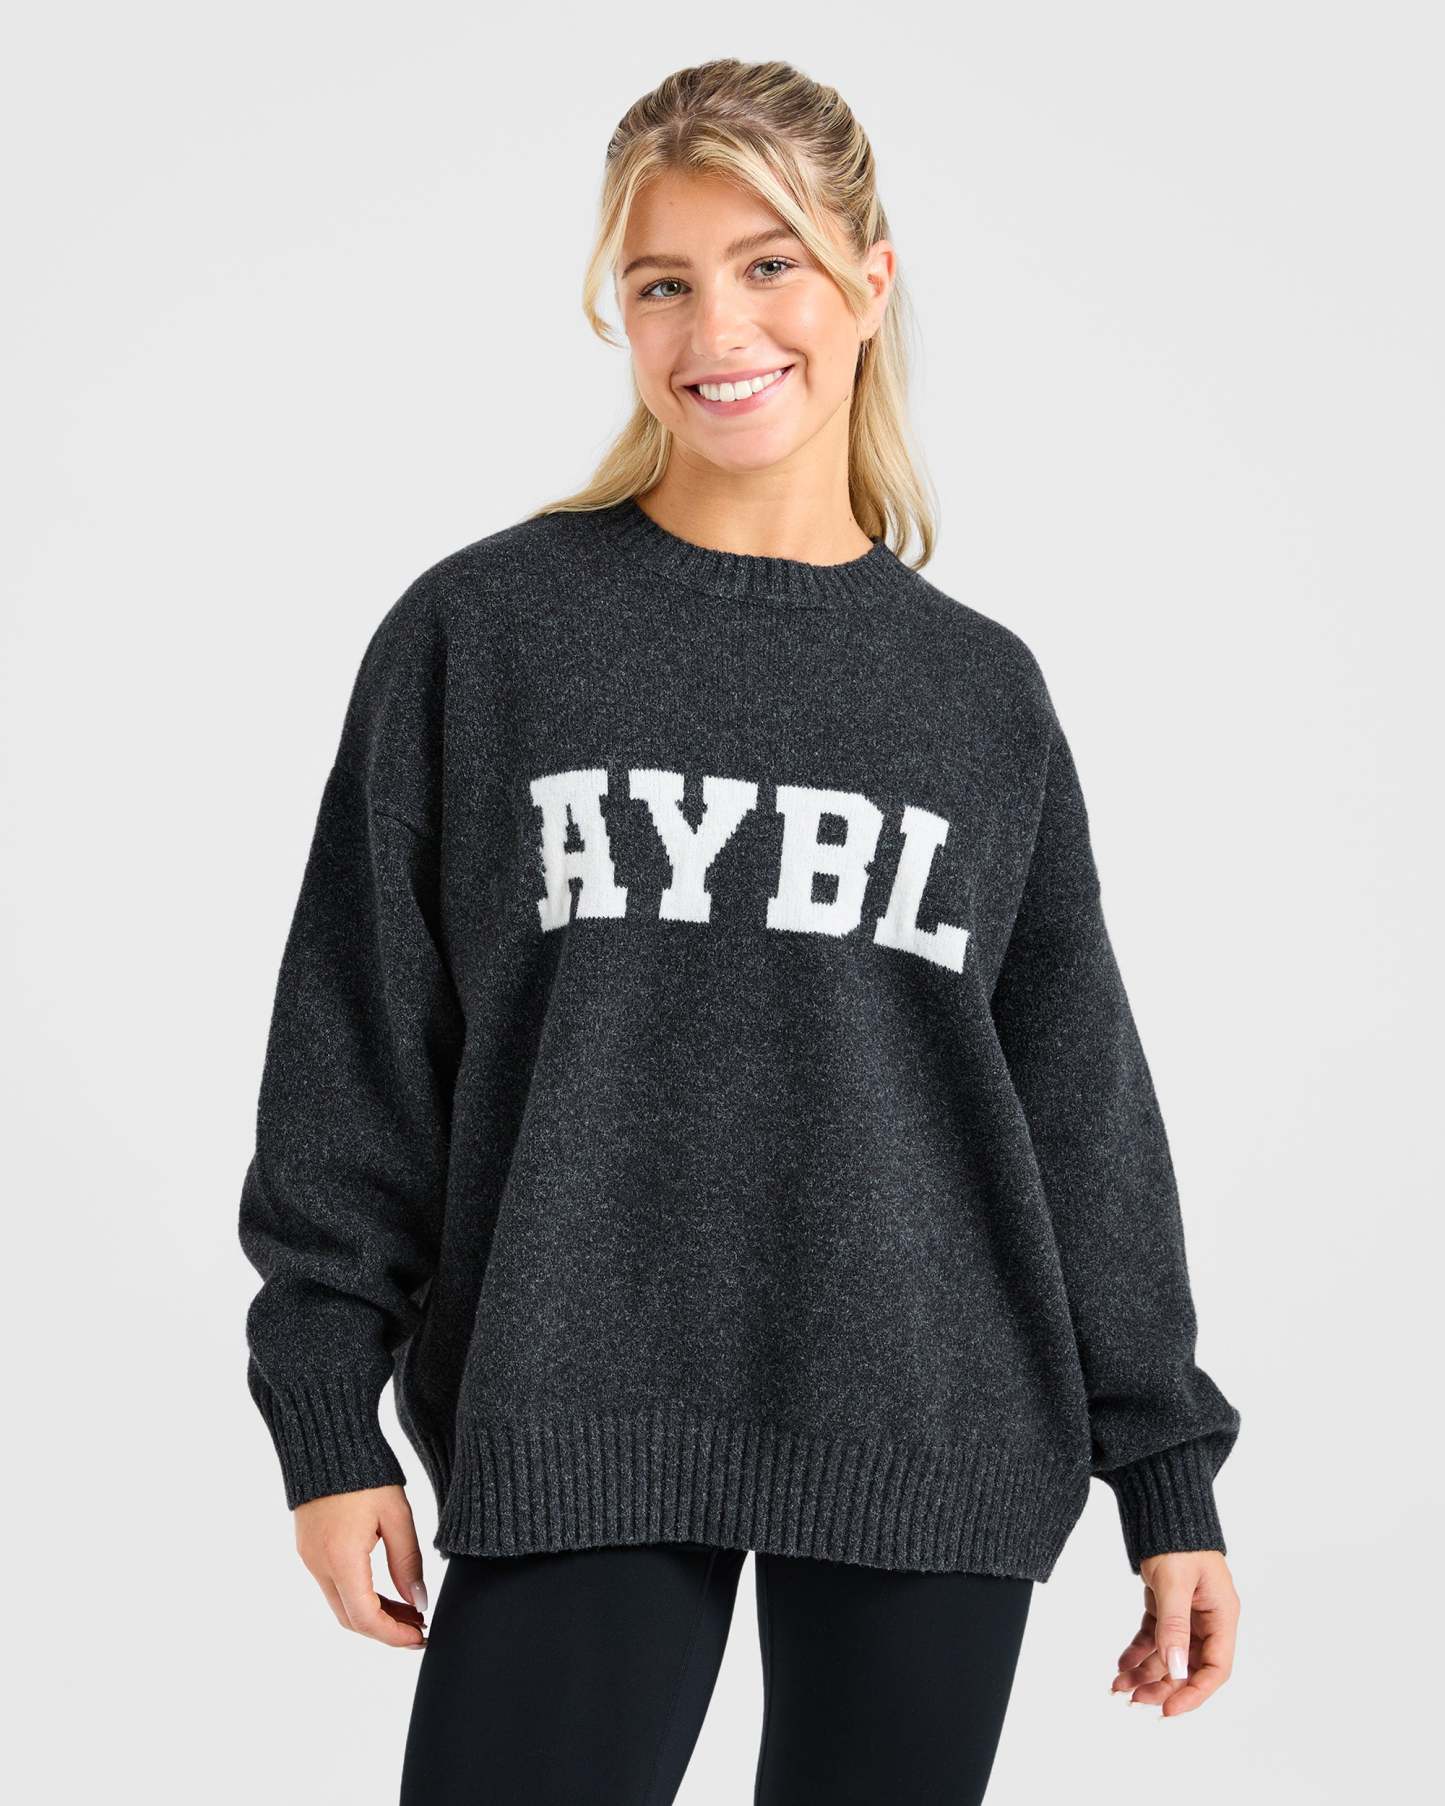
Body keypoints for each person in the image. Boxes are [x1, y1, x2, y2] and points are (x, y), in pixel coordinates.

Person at [237, 56, 1243, 1804]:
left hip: (929, 1419)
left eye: (768, 263)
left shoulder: (975, 693)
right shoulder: (487, 633)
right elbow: (357, 1047)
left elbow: (1075, 1099)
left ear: (867, 279)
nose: (717, 328)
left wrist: (1167, 1473)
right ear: (615, 312)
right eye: (661, 281)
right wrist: (329, 1417)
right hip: (578, 1400)